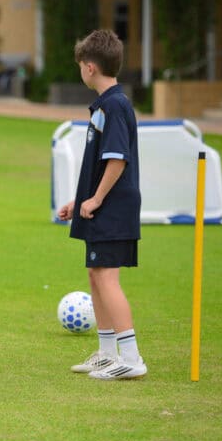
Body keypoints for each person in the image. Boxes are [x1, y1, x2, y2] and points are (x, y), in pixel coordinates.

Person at [58, 29, 147, 380]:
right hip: (100, 205)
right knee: (96, 275)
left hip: (113, 208)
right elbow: (99, 164)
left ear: (90, 67)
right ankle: (107, 352)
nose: (80, 70)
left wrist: (95, 199)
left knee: (107, 278)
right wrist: (78, 200)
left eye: (81, 65)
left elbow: (117, 160)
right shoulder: (104, 105)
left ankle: (132, 357)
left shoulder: (115, 106)